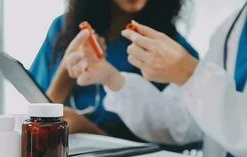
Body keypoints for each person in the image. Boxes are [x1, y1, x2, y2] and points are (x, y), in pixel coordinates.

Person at [74, 3, 247, 157]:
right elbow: (184, 121)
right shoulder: (232, 29)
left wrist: (189, 73)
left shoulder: (181, 44)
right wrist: (110, 77)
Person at [30, 0, 200, 142]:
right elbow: (38, 118)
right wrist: (66, 72)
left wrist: (89, 131)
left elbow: (178, 137)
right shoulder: (62, 29)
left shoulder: (174, 53)